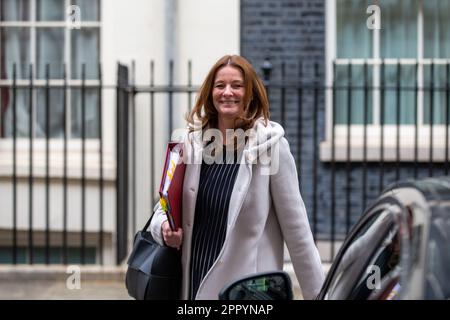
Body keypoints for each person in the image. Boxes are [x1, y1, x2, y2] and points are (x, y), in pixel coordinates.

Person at [150, 54, 324, 300]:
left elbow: (299, 234)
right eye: (220, 85)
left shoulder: (271, 148)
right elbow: (163, 208)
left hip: (246, 294)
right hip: (193, 287)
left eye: (237, 85)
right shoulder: (192, 145)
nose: (227, 92)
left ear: (250, 93)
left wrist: (319, 295)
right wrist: (165, 228)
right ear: (210, 93)